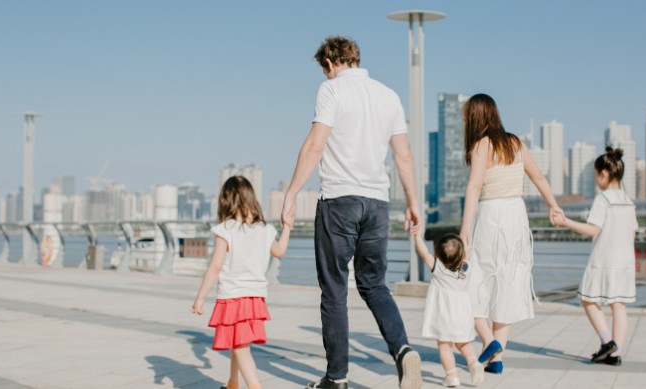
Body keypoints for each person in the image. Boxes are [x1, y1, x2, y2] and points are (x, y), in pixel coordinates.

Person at [281, 36, 422, 389]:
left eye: (325, 69)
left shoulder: (331, 91)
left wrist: (291, 193)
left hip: (339, 201)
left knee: (334, 290)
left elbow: (315, 145)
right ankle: (403, 349)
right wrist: (413, 203)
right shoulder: (389, 96)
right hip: (377, 203)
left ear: (331, 63)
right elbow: (403, 156)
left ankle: (337, 378)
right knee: (374, 285)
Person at [458, 93, 563, 375]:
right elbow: (539, 177)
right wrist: (554, 205)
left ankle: (490, 342)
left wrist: (465, 227)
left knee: (473, 284)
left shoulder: (482, 145)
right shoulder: (515, 143)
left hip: (492, 216)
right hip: (517, 216)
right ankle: (497, 358)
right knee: (507, 283)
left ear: (476, 117)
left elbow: (474, 187)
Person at [191, 176, 292, 389]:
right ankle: (232, 383)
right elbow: (279, 251)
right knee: (240, 342)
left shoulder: (226, 229)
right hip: (255, 297)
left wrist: (200, 297)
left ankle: (255, 386)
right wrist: (287, 227)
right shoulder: (264, 229)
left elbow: (216, 266)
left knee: (239, 345)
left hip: (233, 296)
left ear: (226, 200)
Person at [551, 147, 637, 366]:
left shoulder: (603, 199)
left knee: (587, 299)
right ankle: (615, 354)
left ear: (603, 174)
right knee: (619, 306)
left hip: (603, 260)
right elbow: (632, 232)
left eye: (595, 175)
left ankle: (607, 342)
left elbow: (592, 229)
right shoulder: (628, 201)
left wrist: (565, 222)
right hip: (625, 261)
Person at [412, 228, 484, 387]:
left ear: (437, 253)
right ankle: (473, 363)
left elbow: (424, 253)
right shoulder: (467, 267)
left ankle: (452, 376)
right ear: (462, 254)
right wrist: (464, 241)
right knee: (463, 343)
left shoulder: (438, 268)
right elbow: (463, 248)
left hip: (444, 316)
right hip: (463, 314)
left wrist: (417, 237)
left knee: (444, 345)